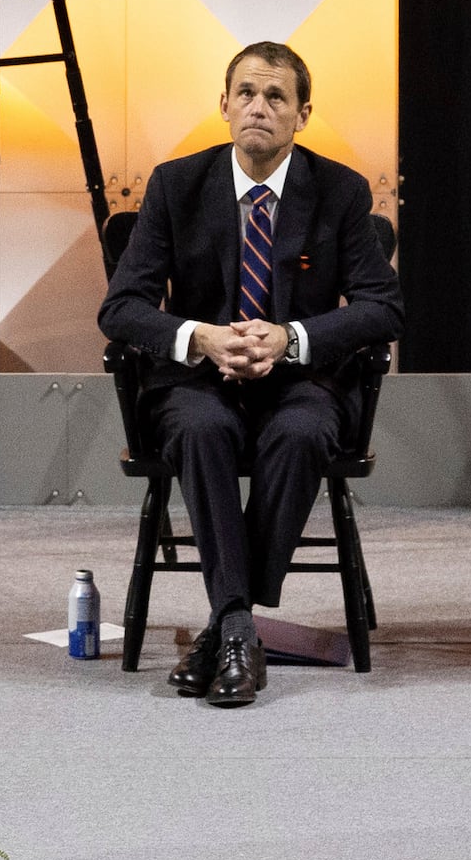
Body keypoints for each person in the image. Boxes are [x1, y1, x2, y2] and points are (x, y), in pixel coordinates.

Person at [95, 42, 398, 709]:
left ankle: (227, 627)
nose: (259, 107)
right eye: (247, 94)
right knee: (200, 430)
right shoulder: (177, 185)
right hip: (200, 382)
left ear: (302, 114)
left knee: (298, 436)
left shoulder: (340, 191)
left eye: (276, 97)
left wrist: (293, 339)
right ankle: (239, 626)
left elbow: (385, 307)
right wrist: (198, 337)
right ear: (225, 104)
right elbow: (121, 308)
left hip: (300, 383)